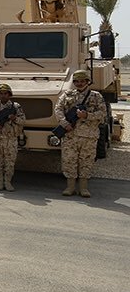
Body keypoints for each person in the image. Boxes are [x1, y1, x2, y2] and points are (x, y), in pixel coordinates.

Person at [54, 69, 106, 198]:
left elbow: (102, 113)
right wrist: (64, 123)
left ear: (87, 81)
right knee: (69, 160)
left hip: (89, 136)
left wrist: (87, 115)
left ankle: (83, 188)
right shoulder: (67, 94)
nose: (79, 83)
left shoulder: (96, 96)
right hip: (70, 135)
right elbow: (58, 109)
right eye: (76, 81)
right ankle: (70, 187)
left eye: (82, 81)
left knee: (86, 161)